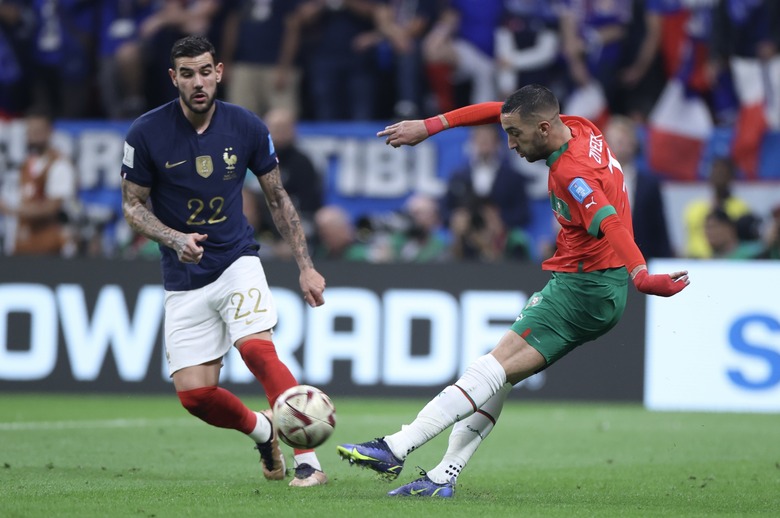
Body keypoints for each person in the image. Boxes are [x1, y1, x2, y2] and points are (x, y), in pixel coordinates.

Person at [337, 84, 689, 497]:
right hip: (596, 287)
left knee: (489, 368)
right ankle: (441, 478)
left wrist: (642, 274)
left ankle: (396, 447)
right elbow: (500, 110)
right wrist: (431, 126)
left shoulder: (571, 174)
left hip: (584, 290)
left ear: (543, 128)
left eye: (516, 135)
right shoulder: (579, 127)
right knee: (498, 378)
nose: (510, 144)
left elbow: (609, 221)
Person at [119, 35, 328, 487]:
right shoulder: (146, 132)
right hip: (183, 275)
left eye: (205, 71)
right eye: (188, 73)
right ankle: (264, 430)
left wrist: (306, 266)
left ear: (220, 72)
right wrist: (174, 238)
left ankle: (308, 459)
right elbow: (132, 206)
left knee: (256, 348)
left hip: (236, 259)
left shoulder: (247, 126)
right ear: (174, 78)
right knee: (195, 396)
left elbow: (277, 197)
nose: (198, 82)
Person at [0, 111, 77, 256]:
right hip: (22, 246)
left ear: (49, 132)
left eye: (38, 131)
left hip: (52, 249)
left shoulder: (59, 165)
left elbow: (52, 207)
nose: (33, 137)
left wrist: (12, 210)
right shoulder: (23, 166)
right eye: (30, 131)